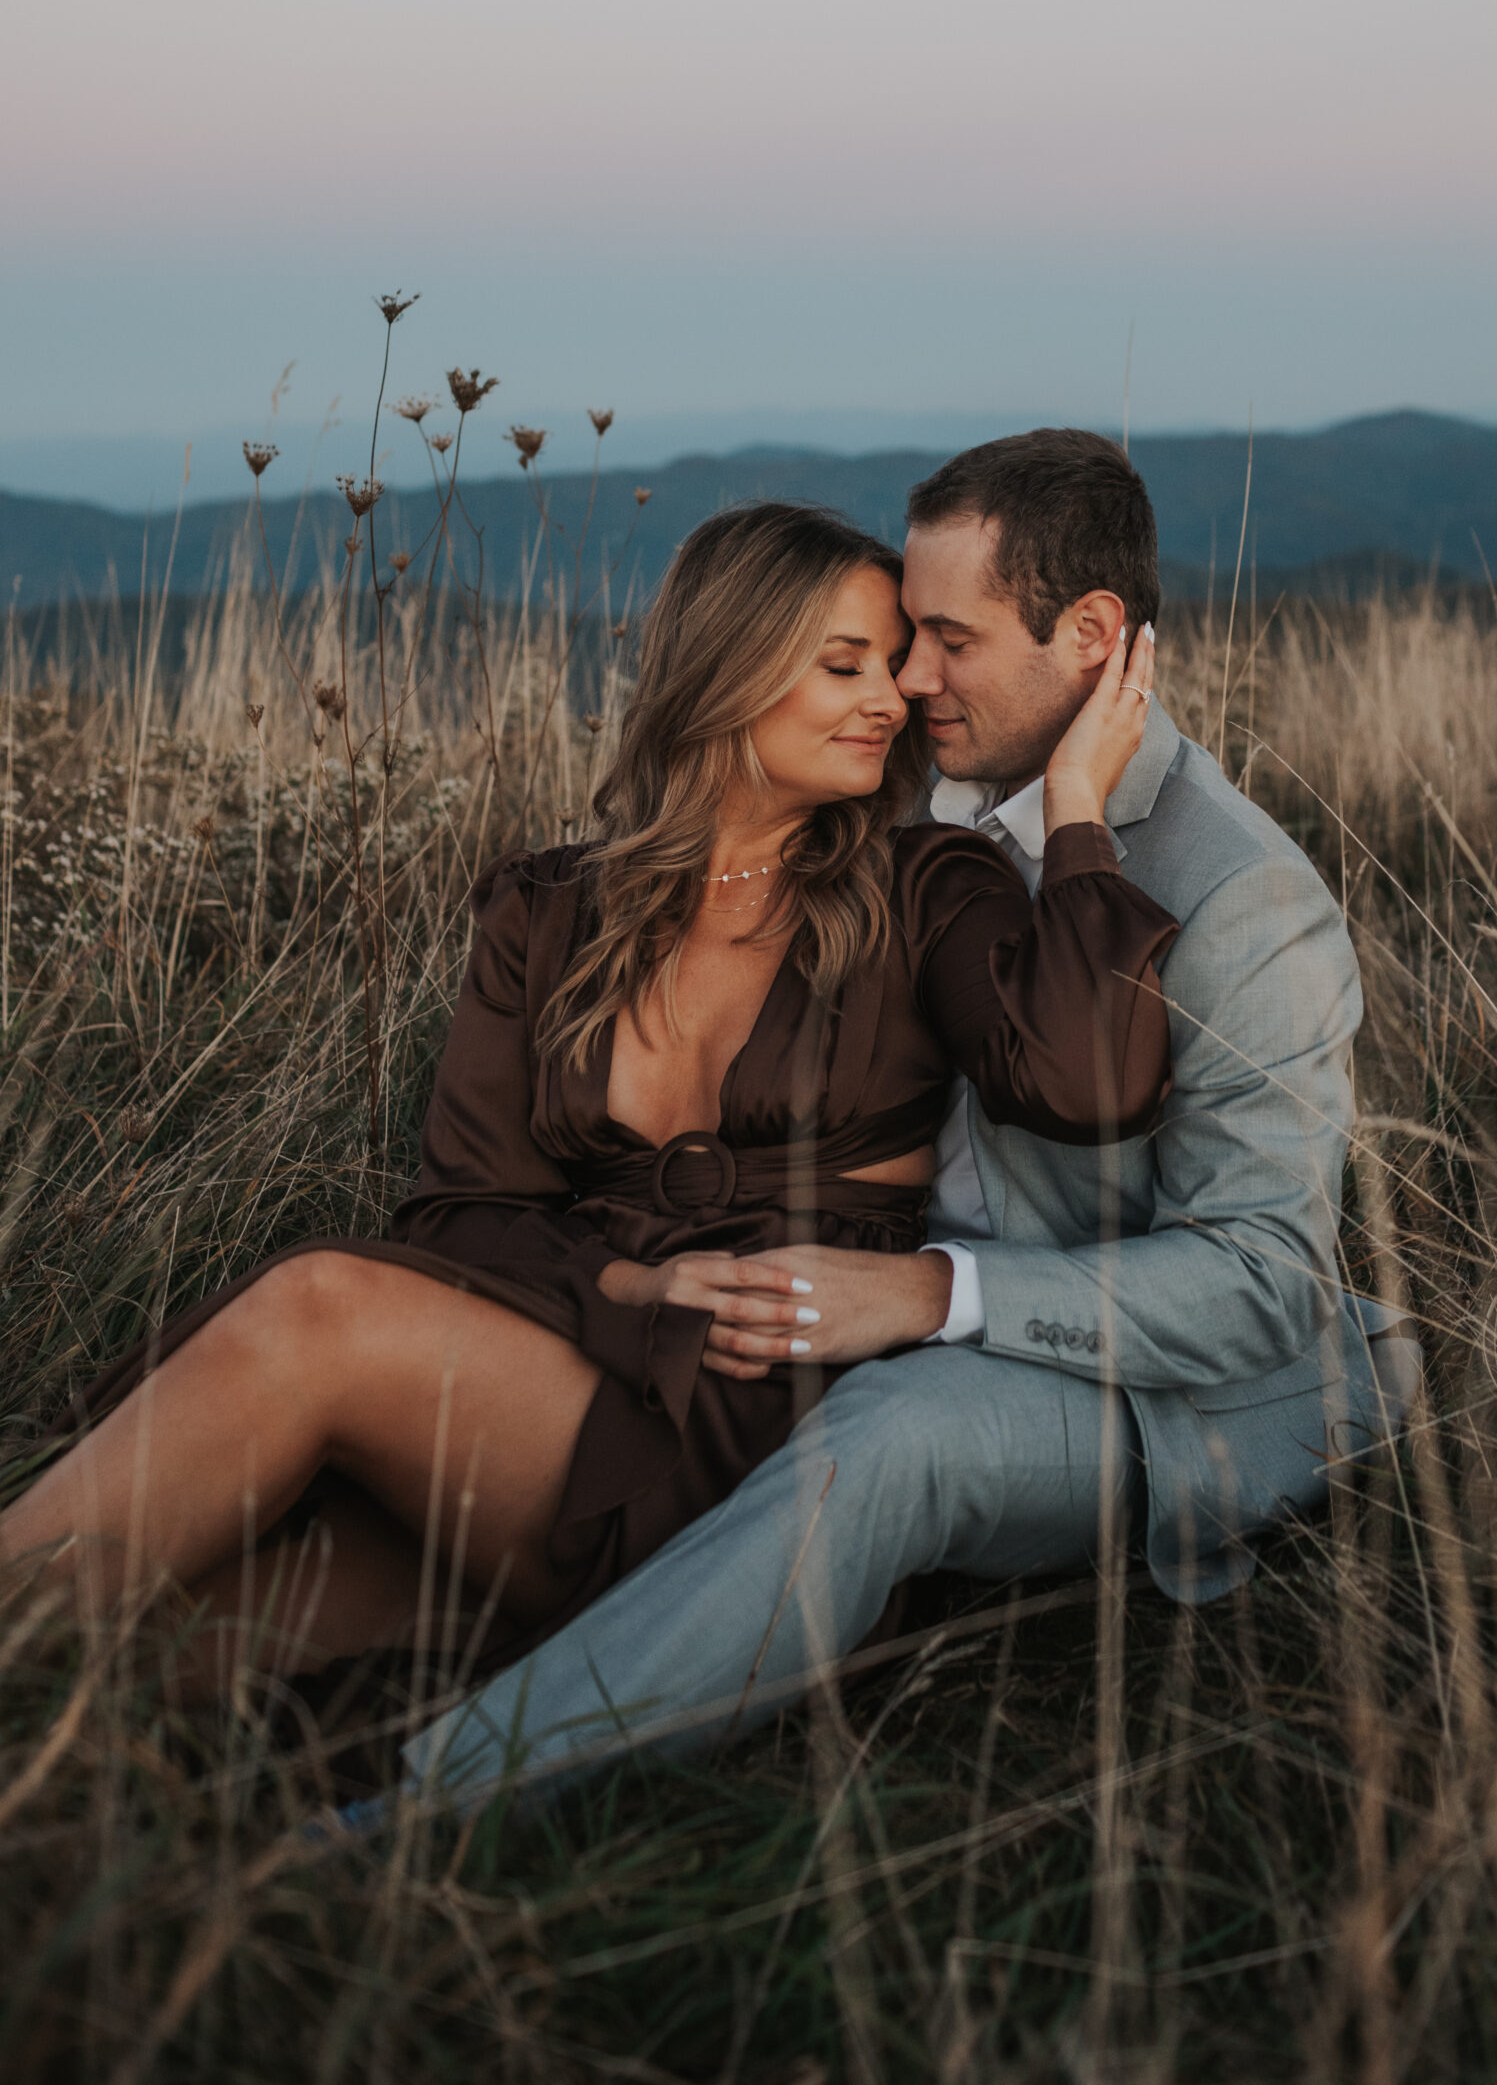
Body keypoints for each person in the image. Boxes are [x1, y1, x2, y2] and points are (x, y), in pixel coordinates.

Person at [401, 430, 1420, 1810]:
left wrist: (934, 1293)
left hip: (1159, 1385)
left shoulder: (1237, 896)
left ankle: (420, 1812)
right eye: (888, 647)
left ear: (1091, 636)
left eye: (944, 639)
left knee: (894, 1436)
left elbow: (1255, 1286)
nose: (907, 680)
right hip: (865, 1324)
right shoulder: (924, 798)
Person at [1, 502, 1174, 1692]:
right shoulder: (547, 908)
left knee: (319, 1306)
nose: (896, 696)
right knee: (151, 1645)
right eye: (846, 665)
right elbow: (462, 1211)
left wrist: (1077, 806)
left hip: (765, 1404)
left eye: (900, 662)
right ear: (728, 668)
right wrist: (632, 1285)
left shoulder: (926, 885)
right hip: (571, 1365)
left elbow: (1087, 1083)